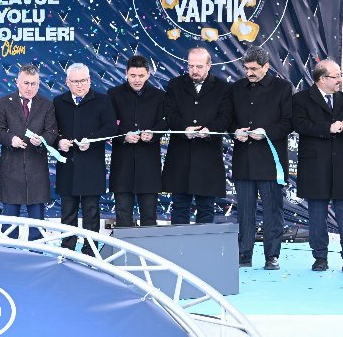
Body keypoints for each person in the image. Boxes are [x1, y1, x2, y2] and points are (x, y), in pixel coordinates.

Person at [230, 46, 292, 270]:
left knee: (272, 211)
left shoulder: (283, 88)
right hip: (243, 160)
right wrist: (235, 131)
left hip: (270, 162)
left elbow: (289, 122)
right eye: (246, 68)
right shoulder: (236, 88)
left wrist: (266, 133)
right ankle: (244, 253)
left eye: (254, 69)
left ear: (266, 67)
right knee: (244, 212)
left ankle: (271, 256)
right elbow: (228, 119)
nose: (249, 73)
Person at [162, 47, 231, 225]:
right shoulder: (175, 85)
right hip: (180, 156)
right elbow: (169, 114)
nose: (194, 70)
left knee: (206, 207)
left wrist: (209, 129)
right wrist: (184, 129)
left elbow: (225, 117)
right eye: (191, 66)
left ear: (209, 66)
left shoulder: (223, 87)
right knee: (179, 206)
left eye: (199, 66)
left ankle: (204, 244)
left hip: (208, 157)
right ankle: (177, 243)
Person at [54, 63, 116, 254]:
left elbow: (111, 128)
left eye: (83, 80)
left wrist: (92, 140)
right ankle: (67, 250)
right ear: (67, 82)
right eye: (75, 81)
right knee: (68, 213)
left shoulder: (102, 100)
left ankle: (90, 251)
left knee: (91, 212)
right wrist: (59, 142)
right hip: (67, 166)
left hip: (92, 166)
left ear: (89, 80)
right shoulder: (58, 101)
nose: (80, 85)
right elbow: (50, 130)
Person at [0, 64, 57, 240]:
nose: (30, 88)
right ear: (17, 82)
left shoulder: (47, 104)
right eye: (26, 83)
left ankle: (37, 254)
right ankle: (8, 253)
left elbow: (52, 132)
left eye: (33, 84)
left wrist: (42, 140)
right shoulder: (4, 103)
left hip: (37, 172)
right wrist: (10, 139)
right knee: (9, 227)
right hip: (11, 171)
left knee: (37, 227)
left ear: (39, 84)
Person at [292, 59, 343, 272]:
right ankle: (320, 256)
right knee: (317, 213)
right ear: (322, 79)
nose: (340, 80)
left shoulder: (342, 98)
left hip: (340, 164)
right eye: (336, 76)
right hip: (315, 164)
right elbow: (299, 125)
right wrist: (327, 128)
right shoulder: (301, 99)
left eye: (340, 75)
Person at [108, 55, 167, 228]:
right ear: (126, 73)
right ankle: (122, 247)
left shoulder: (159, 96)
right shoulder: (114, 94)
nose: (137, 80)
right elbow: (108, 124)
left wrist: (153, 134)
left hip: (149, 165)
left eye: (141, 76)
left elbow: (164, 122)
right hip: (122, 165)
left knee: (149, 217)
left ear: (148, 74)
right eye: (133, 75)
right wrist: (123, 136)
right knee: (123, 216)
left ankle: (148, 247)